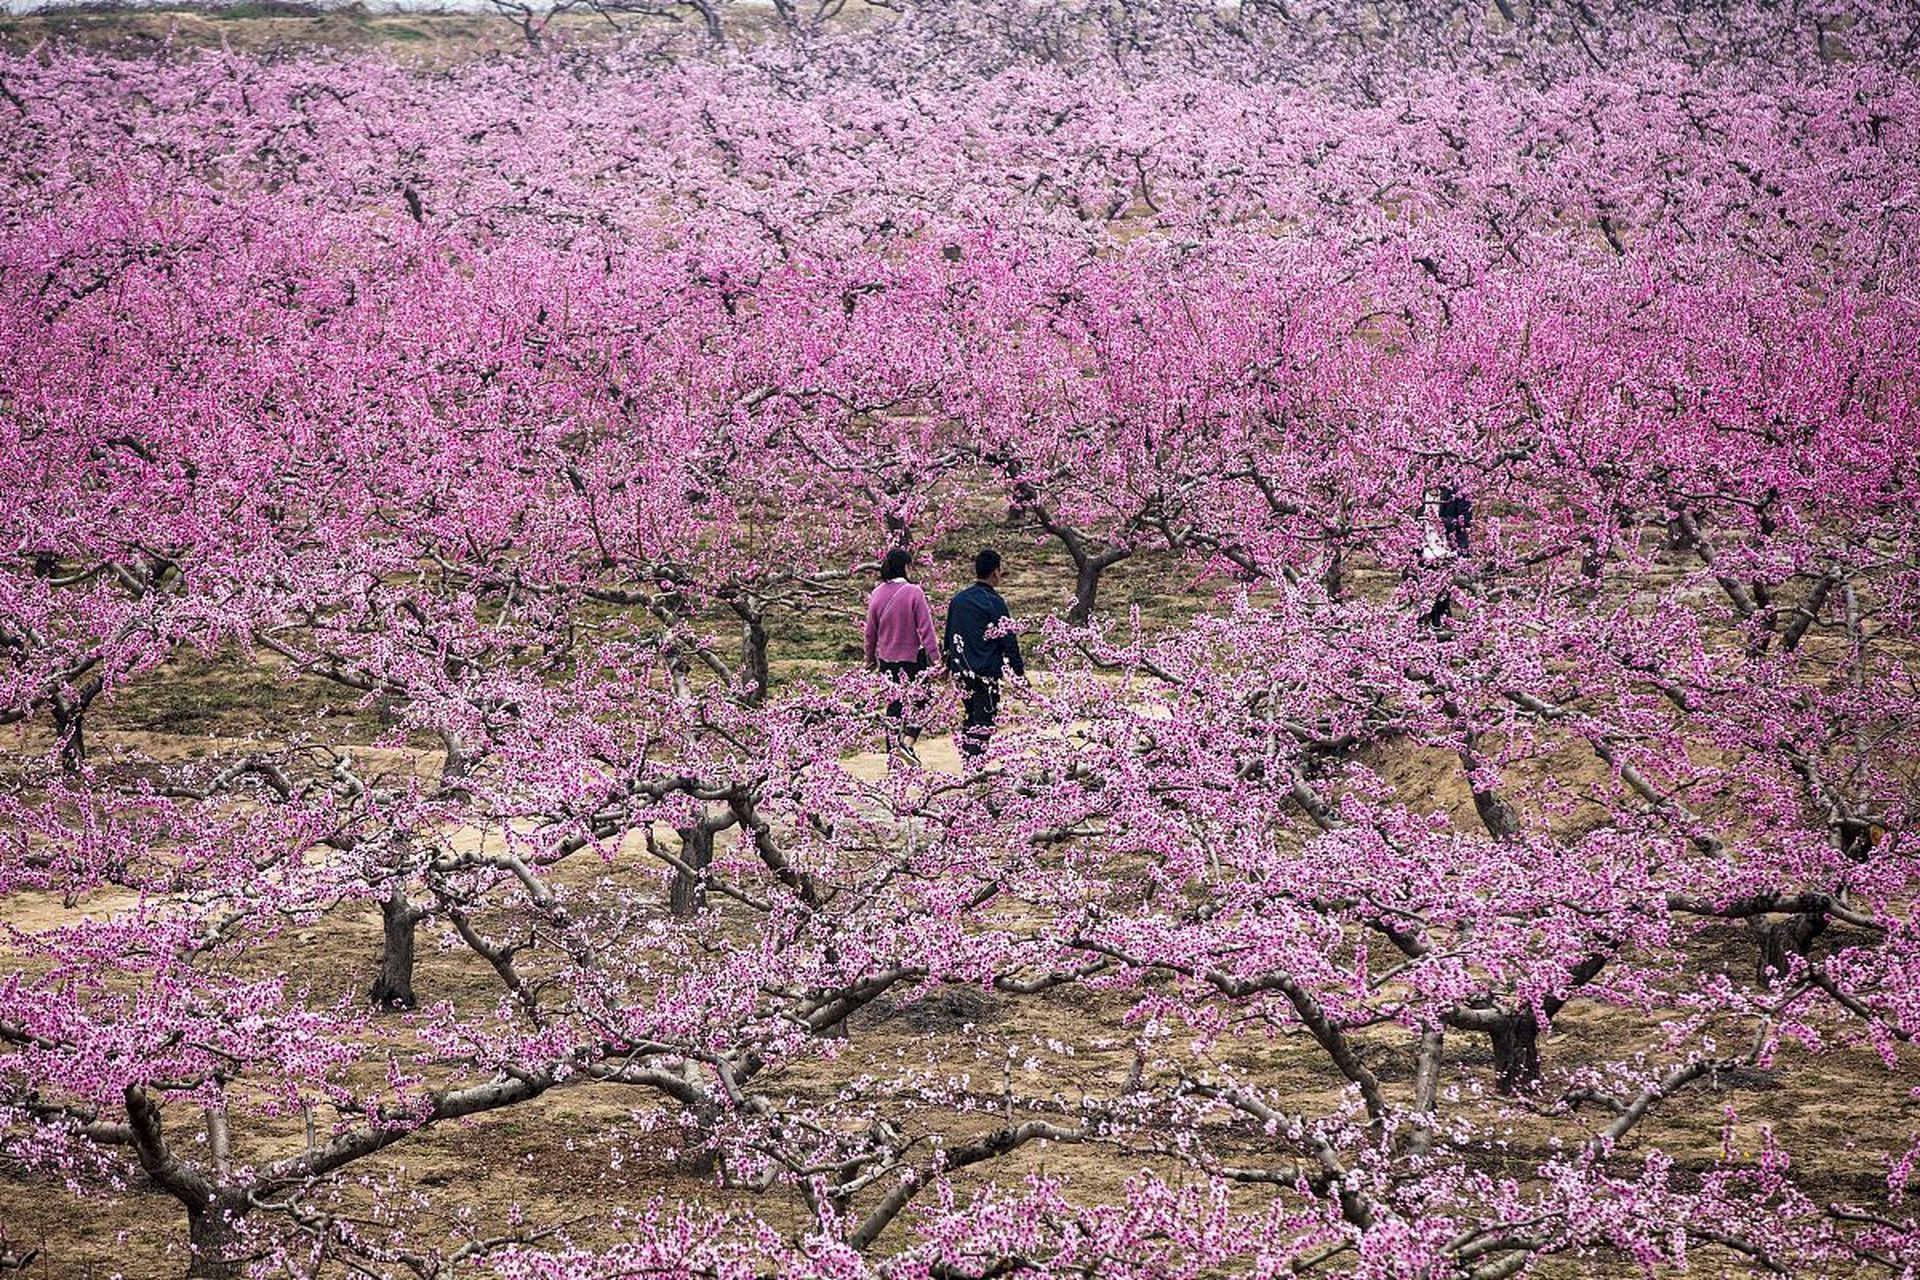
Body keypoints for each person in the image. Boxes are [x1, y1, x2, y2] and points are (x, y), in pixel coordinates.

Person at [944, 548, 1024, 764]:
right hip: (986, 672)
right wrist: (1019, 673)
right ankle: (974, 766)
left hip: (961, 669)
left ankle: (970, 761)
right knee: (984, 720)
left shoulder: (958, 600)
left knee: (971, 716)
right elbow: (1009, 640)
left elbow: (949, 634)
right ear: (996, 572)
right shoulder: (995, 602)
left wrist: (947, 664)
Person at [864, 547, 941, 765]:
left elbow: (870, 631)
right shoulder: (914, 592)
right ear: (906, 567)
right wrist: (936, 660)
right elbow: (927, 630)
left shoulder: (877, 593)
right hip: (912, 659)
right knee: (923, 701)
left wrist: (869, 657)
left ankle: (893, 757)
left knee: (894, 706)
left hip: (887, 660)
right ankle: (907, 743)